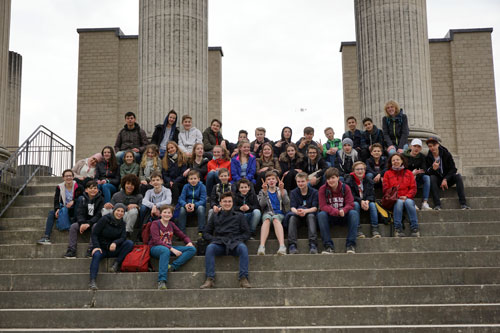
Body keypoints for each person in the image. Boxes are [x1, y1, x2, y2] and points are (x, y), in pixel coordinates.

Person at [200, 192, 251, 289]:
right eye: (225, 202)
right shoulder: (215, 216)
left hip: (235, 243)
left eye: (229, 201)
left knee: (243, 248)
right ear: (220, 203)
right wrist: (215, 239)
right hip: (219, 243)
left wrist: (238, 239)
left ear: (232, 203)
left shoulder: (239, 216)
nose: (227, 203)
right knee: (210, 248)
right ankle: (209, 278)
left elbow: (247, 233)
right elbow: (206, 233)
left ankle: (243, 278)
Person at [149, 205, 196, 290]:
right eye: (164, 212)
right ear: (160, 213)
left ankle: (172, 267)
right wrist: (172, 249)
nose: (167, 214)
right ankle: (162, 281)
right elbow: (156, 240)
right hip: (155, 248)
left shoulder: (172, 224)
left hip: (168, 248)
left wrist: (189, 242)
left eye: (169, 213)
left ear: (172, 215)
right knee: (165, 250)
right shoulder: (155, 224)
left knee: (192, 249)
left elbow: (182, 235)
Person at [88, 203, 134, 290]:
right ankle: (92, 280)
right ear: (114, 211)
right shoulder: (105, 219)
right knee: (96, 255)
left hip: (114, 248)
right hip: (102, 248)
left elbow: (123, 237)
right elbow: (94, 234)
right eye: (118, 210)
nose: (120, 213)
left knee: (129, 243)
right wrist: (96, 246)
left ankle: (116, 264)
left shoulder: (122, 223)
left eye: (122, 211)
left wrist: (115, 243)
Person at [317, 167, 359, 254]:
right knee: (321, 215)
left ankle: (350, 245)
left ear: (338, 178)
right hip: (331, 216)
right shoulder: (323, 189)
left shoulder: (345, 187)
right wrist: (336, 211)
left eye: (333, 178)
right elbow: (323, 206)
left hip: (343, 216)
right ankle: (328, 246)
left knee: (354, 213)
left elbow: (350, 203)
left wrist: (343, 210)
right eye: (328, 179)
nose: (331, 181)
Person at [37, 169, 83, 245]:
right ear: (63, 177)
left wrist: (74, 201)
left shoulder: (78, 186)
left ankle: (75, 224)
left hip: (75, 209)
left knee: (80, 199)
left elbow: (83, 196)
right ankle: (46, 237)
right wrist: (57, 209)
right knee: (52, 213)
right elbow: (56, 199)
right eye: (66, 176)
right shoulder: (59, 187)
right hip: (65, 209)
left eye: (70, 176)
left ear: (73, 177)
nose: (68, 178)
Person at [425, 136, 470, 210]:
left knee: (458, 176)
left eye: (434, 145)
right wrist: (433, 169)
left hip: (448, 179)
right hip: (438, 180)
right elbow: (427, 172)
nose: (432, 148)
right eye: (430, 146)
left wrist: (445, 179)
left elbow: (453, 169)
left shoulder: (446, 154)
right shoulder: (428, 157)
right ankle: (437, 205)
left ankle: (463, 204)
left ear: (438, 145)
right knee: (432, 178)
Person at [64, 180, 104, 258]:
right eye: (91, 188)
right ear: (86, 190)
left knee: (96, 226)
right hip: (84, 222)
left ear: (98, 190)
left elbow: (99, 215)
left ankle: (91, 248)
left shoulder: (101, 199)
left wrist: (89, 223)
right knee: (73, 226)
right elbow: (80, 213)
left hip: (94, 223)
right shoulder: (82, 199)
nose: (93, 190)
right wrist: (82, 223)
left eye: (95, 188)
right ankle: (71, 250)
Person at [383, 153, 420, 237]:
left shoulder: (409, 173)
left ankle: (415, 228)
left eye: (397, 159)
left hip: (407, 197)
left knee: (409, 203)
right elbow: (386, 189)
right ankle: (398, 229)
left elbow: (413, 188)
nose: (396, 161)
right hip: (394, 198)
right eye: (393, 160)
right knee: (399, 203)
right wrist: (398, 197)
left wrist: (407, 196)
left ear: (402, 161)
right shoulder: (387, 173)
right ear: (391, 162)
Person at [257, 171, 289, 256]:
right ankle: (262, 246)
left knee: (275, 219)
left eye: (273, 179)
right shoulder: (262, 191)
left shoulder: (282, 190)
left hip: (279, 214)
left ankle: (282, 246)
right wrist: (264, 192)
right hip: (267, 213)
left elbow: (286, 203)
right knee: (267, 219)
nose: (271, 181)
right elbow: (262, 205)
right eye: (268, 179)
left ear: (276, 181)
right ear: (266, 181)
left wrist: (282, 190)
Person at [345, 161, 380, 238]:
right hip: (356, 201)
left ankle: (375, 229)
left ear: (364, 170)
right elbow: (350, 196)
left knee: (373, 204)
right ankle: (357, 229)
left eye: (362, 169)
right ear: (353, 171)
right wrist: (360, 201)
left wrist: (367, 201)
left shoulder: (369, 180)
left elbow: (372, 195)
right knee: (356, 204)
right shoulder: (349, 181)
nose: (360, 171)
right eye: (357, 169)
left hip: (366, 201)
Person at [287, 172, 319, 254]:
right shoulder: (293, 192)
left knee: (311, 216)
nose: (300, 183)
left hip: (309, 214)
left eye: (302, 181)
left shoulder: (314, 192)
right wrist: (297, 212)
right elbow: (292, 207)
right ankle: (292, 245)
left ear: (307, 181)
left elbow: (315, 208)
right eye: (298, 182)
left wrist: (305, 211)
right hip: (298, 215)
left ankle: (313, 244)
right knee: (292, 218)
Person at [404, 139, 432, 210]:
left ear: (421, 148)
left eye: (418, 147)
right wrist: (411, 174)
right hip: (406, 179)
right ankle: (411, 201)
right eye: (415, 146)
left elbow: (424, 169)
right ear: (411, 147)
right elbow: (402, 170)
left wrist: (416, 175)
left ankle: (425, 203)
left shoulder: (422, 157)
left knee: (427, 177)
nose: (416, 148)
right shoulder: (403, 156)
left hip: (417, 178)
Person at [178, 170, 207, 234]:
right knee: (182, 209)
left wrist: (194, 205)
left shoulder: (202, 186)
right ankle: (181, 232)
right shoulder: (186, 187)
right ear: (188, 180)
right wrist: (185, 205)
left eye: (195, 178)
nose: (193, 180)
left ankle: (201, 231)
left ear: (198, 179)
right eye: (191, 179)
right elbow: (181, 199)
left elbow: (203, 200)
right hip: (187, 206)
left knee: (201, 209)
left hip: (197, 207)